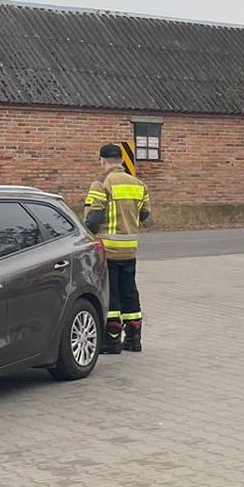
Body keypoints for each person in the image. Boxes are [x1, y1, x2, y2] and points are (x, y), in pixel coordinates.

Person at [83, 142, 150, 353]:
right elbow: (145, 214)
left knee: (111, 293)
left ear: (102, 161)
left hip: (108, 250)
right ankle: (134, 339)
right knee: (130, 291)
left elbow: (92, 220)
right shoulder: (139, 184)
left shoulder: (101, 184)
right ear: (121, 160)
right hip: (130, 249)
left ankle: (112, 341)